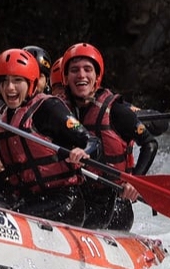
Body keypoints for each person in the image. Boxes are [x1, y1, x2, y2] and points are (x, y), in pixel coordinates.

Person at [0, 48, 101, 227]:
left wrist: (83, 151)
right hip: (27, 199)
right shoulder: (1, 119)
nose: (10, 88)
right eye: (4, 81)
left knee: (14, 214)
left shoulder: (48, 108)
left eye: (17, 81)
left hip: (65, 201)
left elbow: (93, 142)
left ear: (31, 83)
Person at [61, 42, 158, 230]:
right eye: (74, 70)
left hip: (114, 203)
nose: (81, 75)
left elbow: (150, 144)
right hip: (79, 196)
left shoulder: (116, 111)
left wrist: (135, 182)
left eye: (87, 69)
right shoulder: (59, 110)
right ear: (65, 77)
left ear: (97, 77)